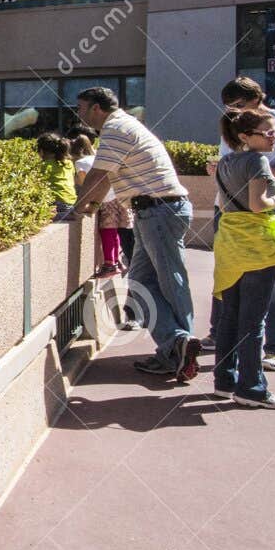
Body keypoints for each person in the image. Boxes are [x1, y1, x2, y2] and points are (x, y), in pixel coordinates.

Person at [72, 87, 201, 381]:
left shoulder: (116, 128)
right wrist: (88, 206)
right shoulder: (124, 125)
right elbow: (105, 180)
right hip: (151, 212)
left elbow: (98, 175)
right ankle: (176, 345)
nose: (78, 114)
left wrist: (77, 209)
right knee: (142, 282)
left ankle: (179, 349)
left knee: (171, 283)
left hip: (158, 211)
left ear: (96, 108)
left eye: (81, 107)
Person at [205, 76, 275, 370]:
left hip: (266, 215)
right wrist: (225, 168)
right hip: (229, 212)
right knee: (227, 274)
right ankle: (222, 335)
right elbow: (233, 165)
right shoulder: (232, 128)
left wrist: (250, 166)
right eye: (228, 106)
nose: (232, 110)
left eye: (238, 104)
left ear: (256, 99)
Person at [212, 106, 275, 409]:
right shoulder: (257, 160)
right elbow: (259, 205)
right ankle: (251, 388)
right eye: (269, 133)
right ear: (246, 135)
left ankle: (224, 381)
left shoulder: (225, 161)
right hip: (256, 249)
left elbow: (223, 205)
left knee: (229, 318)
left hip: (229, 246)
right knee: (253, 322)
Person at [72, 133, 128, 278]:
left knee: (107, 230)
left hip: (105, 199)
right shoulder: (97, 156)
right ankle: (117, 260)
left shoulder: (80, 163)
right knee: (115, 231)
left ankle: (109, 264)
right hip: (118, 196)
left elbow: (86, 185)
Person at [36, 132, 77, 221]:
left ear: (41, 151)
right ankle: (66, 214)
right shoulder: (68, 163)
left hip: (57, 204)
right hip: (72, 202)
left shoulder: (43, 166)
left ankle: (59, 216)